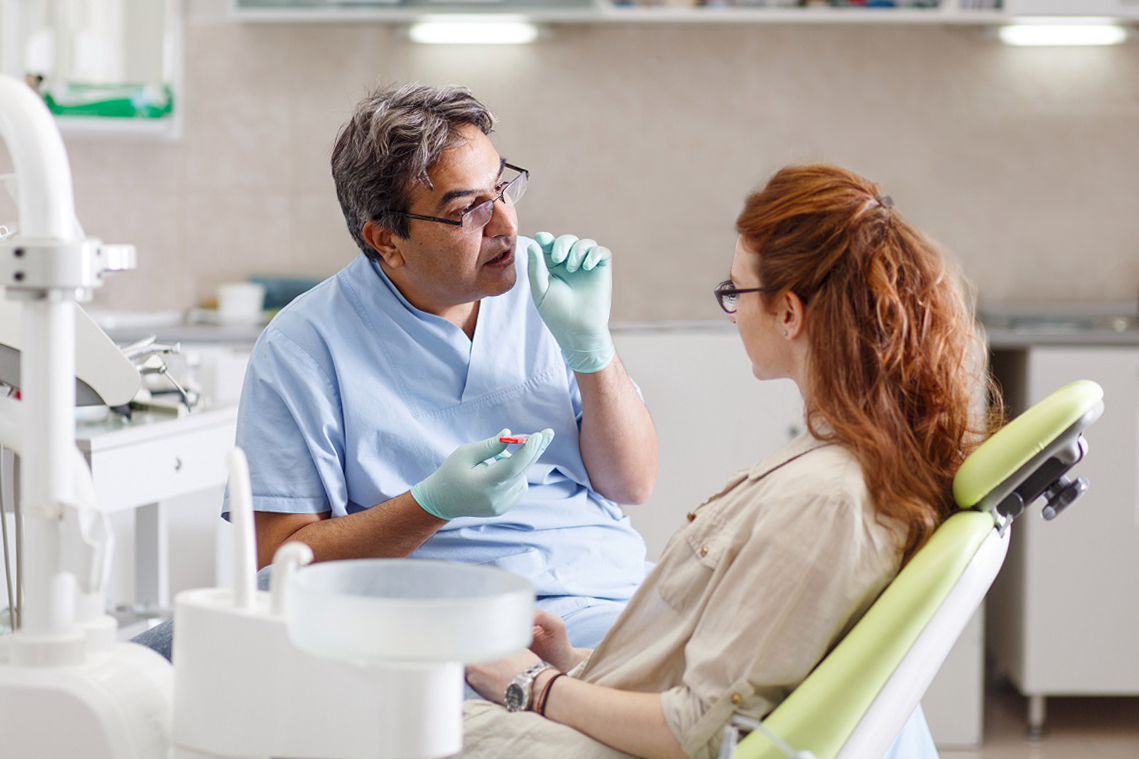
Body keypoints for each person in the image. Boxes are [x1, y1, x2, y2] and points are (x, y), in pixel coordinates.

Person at [461, 164, 1000, 759]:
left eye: (735, 292)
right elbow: (736, 672)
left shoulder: (824, 500)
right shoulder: (847, 464)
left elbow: (698, 728)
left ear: (789, 313)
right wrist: (578, 664)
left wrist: (534, 686)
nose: (734, 310)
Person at [131, 83, 658, 658]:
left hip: (608, 597)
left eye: (503, 186)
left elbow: (631, 483)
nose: (504, 223)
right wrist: (432, 504)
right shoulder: (305, 346)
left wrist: (592, 349)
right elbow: (280, 565)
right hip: (443, 626)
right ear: (387, 241)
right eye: (468, 210)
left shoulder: (546, 284)